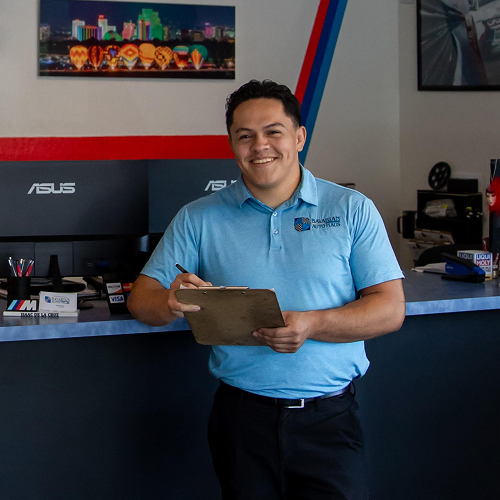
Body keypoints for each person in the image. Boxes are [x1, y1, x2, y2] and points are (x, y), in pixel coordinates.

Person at [127, 79, 405, 500]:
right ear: (232, 144)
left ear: (298, 137)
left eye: (273, 132)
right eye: (245, 136)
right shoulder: (198, 218)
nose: (260, 146)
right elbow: (140, 301)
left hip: (329, 419)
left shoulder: (350, 209)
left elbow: (389, 309)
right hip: (241, 419)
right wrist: (169, 301)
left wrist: (313, 324)